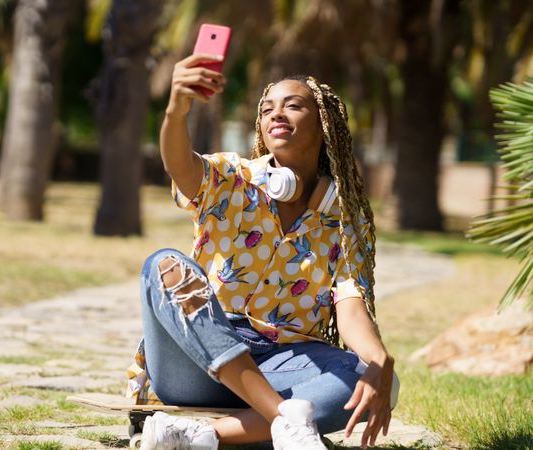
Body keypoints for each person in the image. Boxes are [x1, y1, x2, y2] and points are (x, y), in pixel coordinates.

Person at [127, 53, 399, 450]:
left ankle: (203, 437)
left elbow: (350, 303)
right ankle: (285, 419)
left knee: (374, 380)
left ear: (324, 125)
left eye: (293, 105)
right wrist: (176, 110)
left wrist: (380, 361)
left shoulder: (343, 219)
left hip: (280, 365)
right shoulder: (231, 179)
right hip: (195, 363)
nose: (278, 114)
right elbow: (180, 165)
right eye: (268, 108)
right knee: (164, 265)